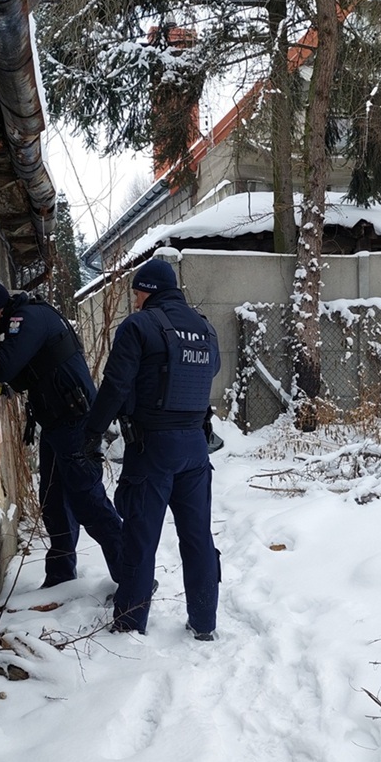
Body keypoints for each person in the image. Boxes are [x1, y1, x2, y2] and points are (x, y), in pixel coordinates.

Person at [82, 257, 221, 640]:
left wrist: (90, 434)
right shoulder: (205, 329)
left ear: (149, 290)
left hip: (152, 448)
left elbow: (115, 387)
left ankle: (129, 625)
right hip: (195, 448)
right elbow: (210, 372)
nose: (136, 299)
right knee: (198, 538)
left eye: (138, 292)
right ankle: (204, 623)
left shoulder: (139, 326)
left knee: (141, 539)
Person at [0, 279, 122, 589]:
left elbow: (3, 367)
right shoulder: (28, 316)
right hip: (58, 422)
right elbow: (19, 371)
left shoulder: (26, 319)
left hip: (75, 423)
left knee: (88, 501)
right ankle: (60, 577)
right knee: (54, 501)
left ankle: (133, 576)